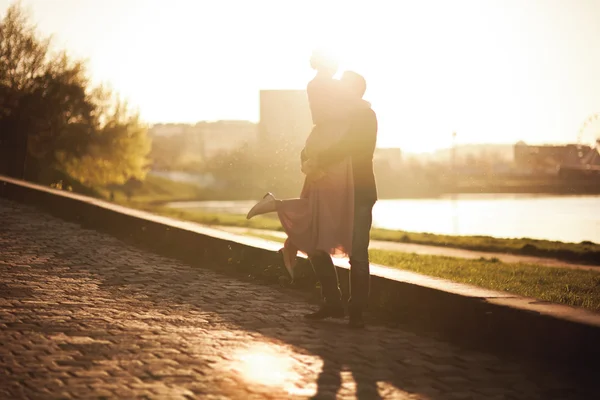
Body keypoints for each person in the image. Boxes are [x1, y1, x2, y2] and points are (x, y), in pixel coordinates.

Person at [303, 70, 378, 328]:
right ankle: (332, 301)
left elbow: (352, 146)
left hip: (358, 191)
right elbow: (313, 141)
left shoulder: (365, 116)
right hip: (331, 190)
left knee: (357, 253)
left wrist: (319, 159)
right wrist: (307, 156)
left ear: (354, 90)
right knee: (315, 244)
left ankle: (356, 311)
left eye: (343, 87)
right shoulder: (333, 118)